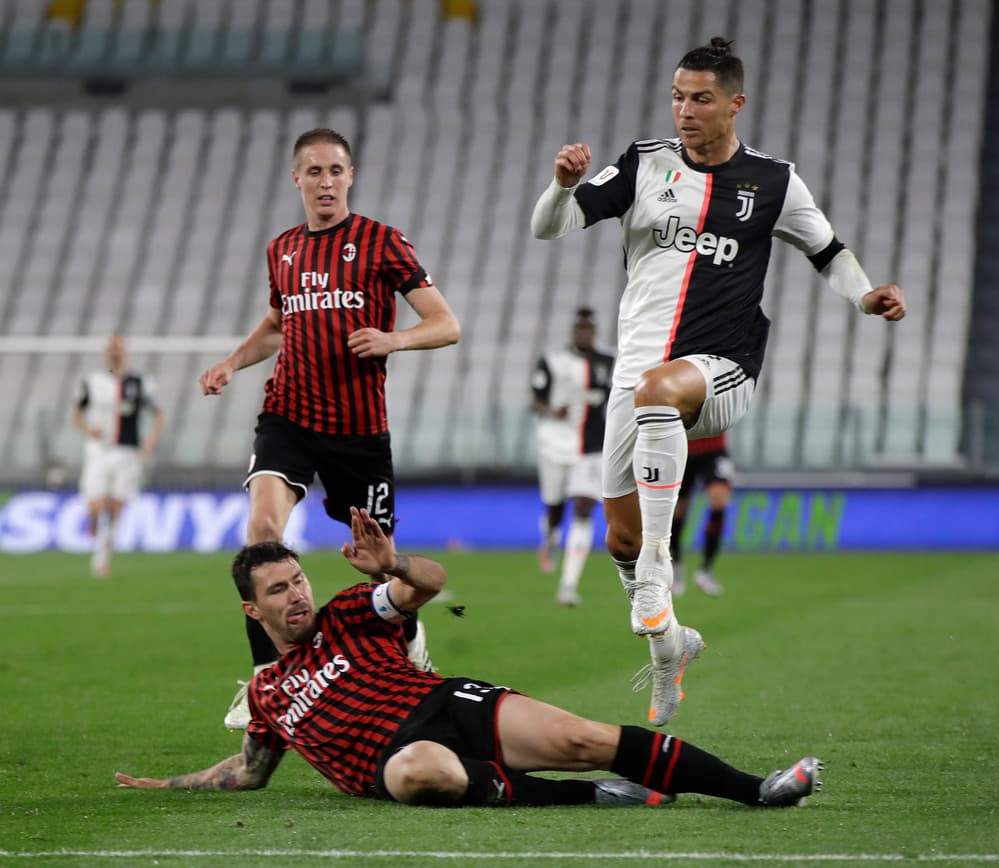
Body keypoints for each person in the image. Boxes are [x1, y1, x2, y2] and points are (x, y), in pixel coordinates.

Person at [531, 37, 905, 725]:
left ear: (735, 103)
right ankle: (671, 647)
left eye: (700, 98)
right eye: (677, 96)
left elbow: (829, 252)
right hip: (640, 379)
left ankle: (659, 570)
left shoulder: (774, 183)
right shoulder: (644, 164)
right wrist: (559, 183)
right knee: (616, 535)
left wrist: (864, 295)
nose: (685, 110)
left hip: (724, 368)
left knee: (655, 401)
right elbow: (548, 229)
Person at [114, 507, 823, 810]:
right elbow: (247, 772)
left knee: (584, 738)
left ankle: (755, 790)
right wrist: (167, 785)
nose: (297, 596)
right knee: (423, 771)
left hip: (449, 704)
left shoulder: (346, 615)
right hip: (396, 760)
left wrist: (391, 561)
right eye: (279, 590)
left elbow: (429, 584)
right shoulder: (268, 693)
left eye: (297, 580)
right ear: (252, 610)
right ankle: (594, 794)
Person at [198, 128, 461, 730]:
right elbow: (275, 324)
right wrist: (231, 363)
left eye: (335, 171)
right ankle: (268, 683)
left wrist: (395, 337)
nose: (325, 182)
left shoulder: (381, 242)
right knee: (262, 533)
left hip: (358, 430)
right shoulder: (283, 250)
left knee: (378, 561)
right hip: (287, 414)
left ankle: (409, 638)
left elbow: (446, 325)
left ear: (350, 176)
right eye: (313, 172)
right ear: (296, 179)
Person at [529, 307, 614, 606]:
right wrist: (553, 411)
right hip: (554, 444)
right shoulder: (553, 361)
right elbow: (535, 402)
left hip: (592, 449)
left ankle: (568, 585)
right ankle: (550, 537)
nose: (584, 334)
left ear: (595, 331)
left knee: (583, 508)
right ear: (573, 331)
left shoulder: (610, 362)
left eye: (589, 329)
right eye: (580, 329)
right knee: (554, 508)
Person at [70, 333, 166, 578]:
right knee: (96, 504)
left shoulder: (139, 381)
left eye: (119, 348)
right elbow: (76, 415)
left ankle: (101, 559)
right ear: (106, 352)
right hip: (98, 450)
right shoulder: (92, 381)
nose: (115, 352)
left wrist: (151, 440)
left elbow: (158, 413)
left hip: (127, 450)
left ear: (124, 352)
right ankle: (92, 523)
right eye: (111, 348)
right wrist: (87, 429)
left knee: (114, 507)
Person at [670, 434, 733, 597]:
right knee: (677, 511)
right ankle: (676, 568)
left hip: (714, 449)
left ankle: (706, 571)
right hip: (681, 448)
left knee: (719, 501)